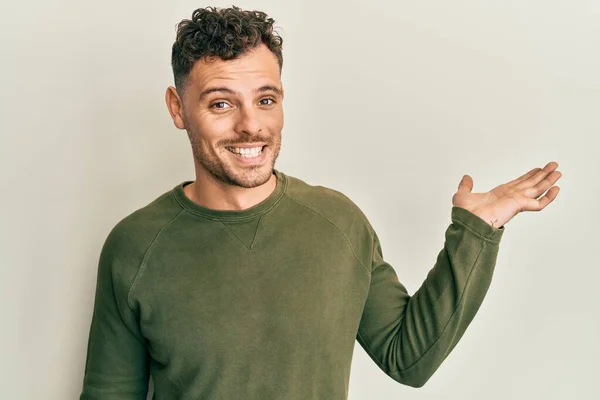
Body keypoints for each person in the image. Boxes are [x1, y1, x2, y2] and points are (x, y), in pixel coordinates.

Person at [79, 6, 562, 400]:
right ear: (177, 108)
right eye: (222, 103)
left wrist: (476, 230)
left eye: (266, 100)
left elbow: (408, 359)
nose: (251, 126)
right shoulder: (135, 246)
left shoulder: (337, 222)